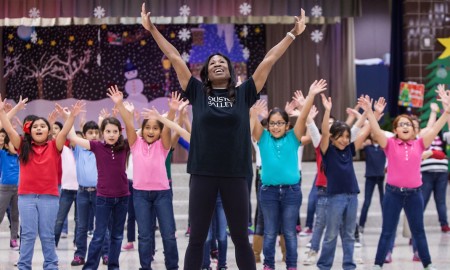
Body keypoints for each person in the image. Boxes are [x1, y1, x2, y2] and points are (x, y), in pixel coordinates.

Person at [141, 3, 306, 268]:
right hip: (203, 173)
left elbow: (269, 60)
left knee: (241, 237)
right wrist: (152, 30)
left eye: (222, 62)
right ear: (205, 73)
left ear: (231, 71)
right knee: (197, 239)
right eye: (212, 63)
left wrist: (292, 34)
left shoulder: (244, 94)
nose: (218, 64)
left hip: (235, 174)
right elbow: (174, 56)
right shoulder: (197, 92)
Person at [358, 92, 450, 270]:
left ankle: (428, 264)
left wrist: (446, 111)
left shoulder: (420, 144)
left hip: (415, 195)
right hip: (393, 194)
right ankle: (378, 264)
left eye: (408, 124)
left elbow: (435, 128)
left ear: (414, 130)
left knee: (419, 231)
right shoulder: (389, 144)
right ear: (395, 131)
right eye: (401, 124)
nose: (405, 126)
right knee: (387, 231)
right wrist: (370, 112)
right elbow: (376, 131)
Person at [0, 97, 83, 270]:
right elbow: (8, 128)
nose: (39, 128)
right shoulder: (22, 145)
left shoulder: (55, 145)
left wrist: (71, 117)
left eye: (43, 126)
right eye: (35, 126)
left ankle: (51, 266)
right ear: (30, 131)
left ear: (48, 131)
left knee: (47, 235)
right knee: (28, 234)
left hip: (49, 197)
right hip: (26, 197)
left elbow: (64, 131)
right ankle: (24, 266)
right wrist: (2, 112)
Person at [251, 82, 326, 270]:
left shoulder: (294, 137)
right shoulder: (263, 137)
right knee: (269, 232)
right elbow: (250, 122)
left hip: (292, 192)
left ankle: (291, 265)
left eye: (280, 123)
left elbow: (303, 118)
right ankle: (269, 265)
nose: (276, 127)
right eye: (273, 123)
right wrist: (252, 110)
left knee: (290, 233)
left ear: (287, 125)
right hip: (268, 192)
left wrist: (310, 95)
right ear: (268, 125)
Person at [113, 86, 180, 270]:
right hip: (140, 194)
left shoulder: (163, 145)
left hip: (162, 194)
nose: (151, 131)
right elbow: (128, 124)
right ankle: (145, 267)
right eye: (148, 127)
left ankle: (172, 266)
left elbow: (167, 130)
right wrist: (119, 104)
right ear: (142, 130)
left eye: (155, 128)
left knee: (168, 234)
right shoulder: (135, 144)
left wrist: (172, 111)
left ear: (159, 132)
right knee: (144, 235)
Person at [68, 94, 130, 270]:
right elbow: (72, 137)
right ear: (102, 133)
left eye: (115, 131)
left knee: (117, 236)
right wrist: (70, 117)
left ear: (120, 132)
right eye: (108, 131)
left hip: (123, 197)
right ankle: (90, 267)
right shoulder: (97, 146)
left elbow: (133, 129)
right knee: (98, 235)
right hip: (102, 198)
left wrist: (122, 107)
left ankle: (113, 266)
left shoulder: (125, 145)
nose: (111, 135)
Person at [316, 94, 370, 270]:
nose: (345, 139)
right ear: (332, 138)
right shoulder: (327, 150)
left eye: (347, 136)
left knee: (348, 235)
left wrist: (368, 112)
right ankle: (324, 265)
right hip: (334, 198)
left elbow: (360, 129)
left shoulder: (349, 149)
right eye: (340, 136)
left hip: (352, 196)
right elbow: (324, 131)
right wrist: (327, 110)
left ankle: (349, 265)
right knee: (331, 235)